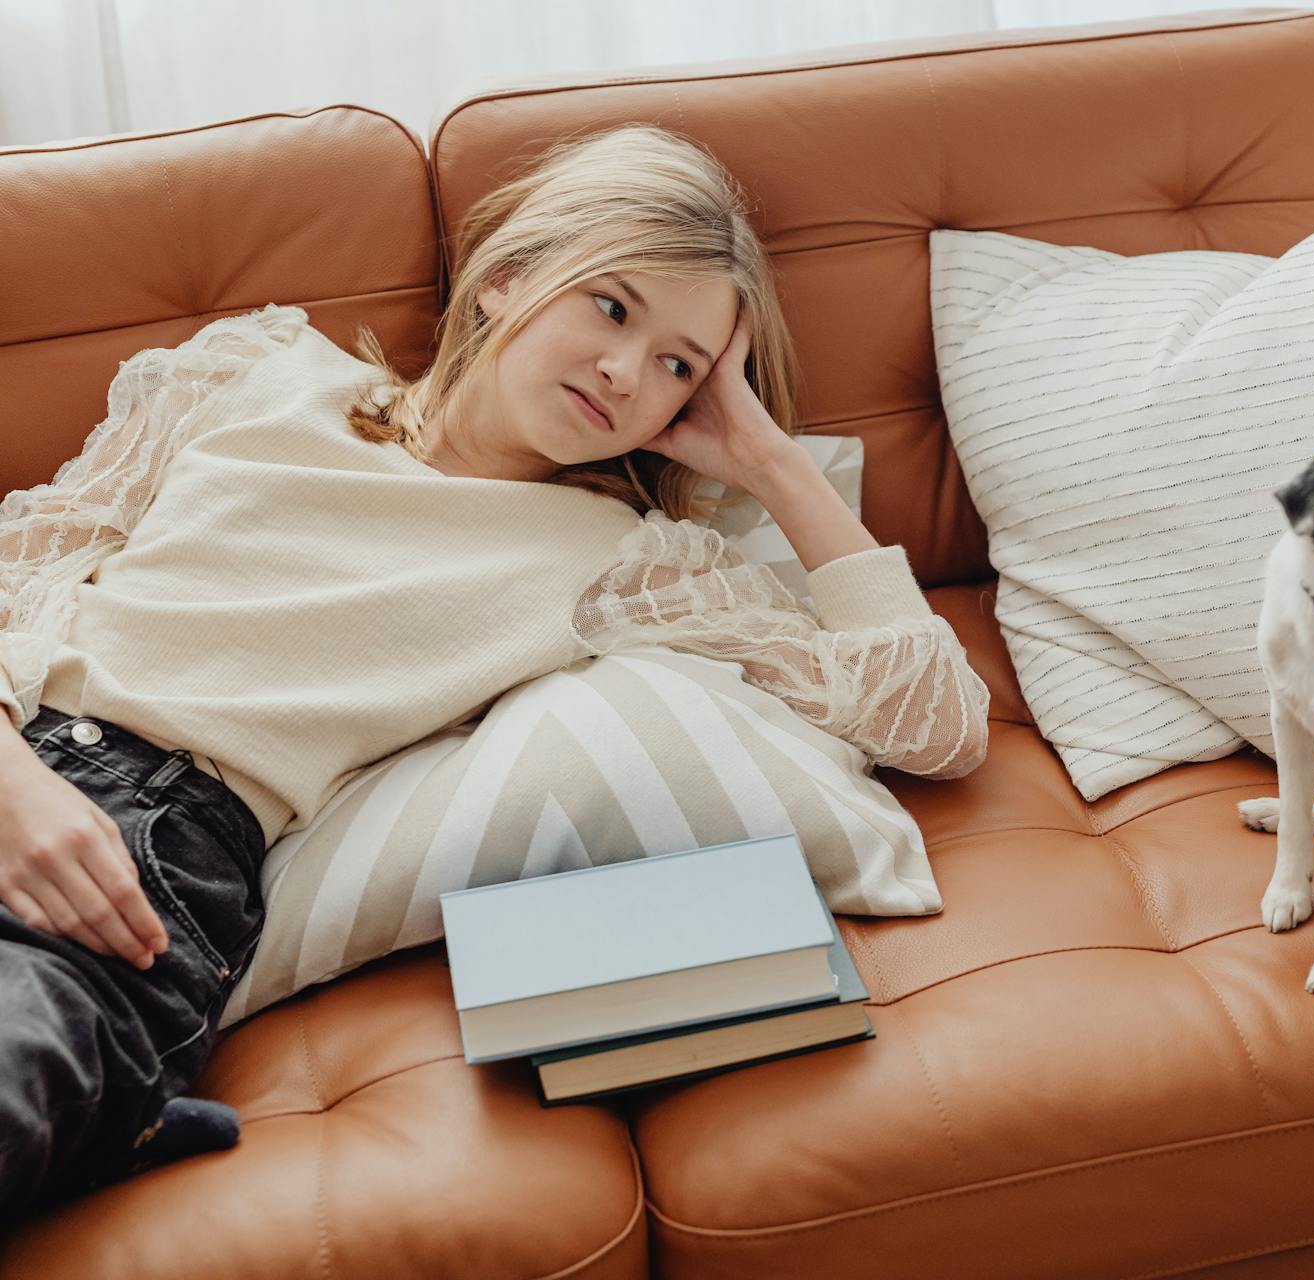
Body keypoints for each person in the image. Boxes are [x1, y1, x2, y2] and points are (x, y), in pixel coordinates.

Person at [0, 123, 990, 1219]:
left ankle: (88, 1093)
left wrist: (769, 461)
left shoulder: (616, 560)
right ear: (505, 278)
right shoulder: (255, 372)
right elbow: (22, 570)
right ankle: (109, 1109)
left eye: (678, 367)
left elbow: (937, 727)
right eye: (611, 306)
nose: (627, 373)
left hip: (159, 846)